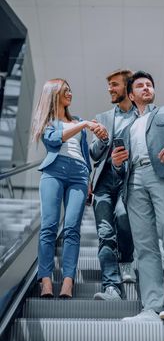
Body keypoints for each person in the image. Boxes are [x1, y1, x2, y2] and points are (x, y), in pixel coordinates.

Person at [112, 71, 164, 320]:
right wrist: (118, 164)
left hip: (162, 175)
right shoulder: (126, 125)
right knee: (144, 245)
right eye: (140, 86)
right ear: (131, 94)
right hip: (134, 180)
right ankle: (151, 307)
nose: (147, 88)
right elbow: (119, 167)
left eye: (150, 85)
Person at [32, 78, 107, 298]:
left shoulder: (78, 121)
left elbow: (88, 153)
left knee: (72, 229)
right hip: (53, 171)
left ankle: (67, 282)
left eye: (71, 90)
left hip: (79, 175)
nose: (70, 94)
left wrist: (101, 138)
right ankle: (45, 280)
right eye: (66, 91)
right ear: (53, 94)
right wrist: (83, 125)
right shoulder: (47, 121)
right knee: (49, 226)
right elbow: (54, 141)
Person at [90, 69, 137, 301]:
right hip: (104, 181)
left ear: (128, 88)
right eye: (109, 85)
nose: (110, 89)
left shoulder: (142, 117)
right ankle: (111, 287)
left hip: (129, 179)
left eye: (115, 84)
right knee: (105, 234)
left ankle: (127, 259)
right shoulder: (103, 117)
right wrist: (102, 140)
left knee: (123, 216)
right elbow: (93, 154)